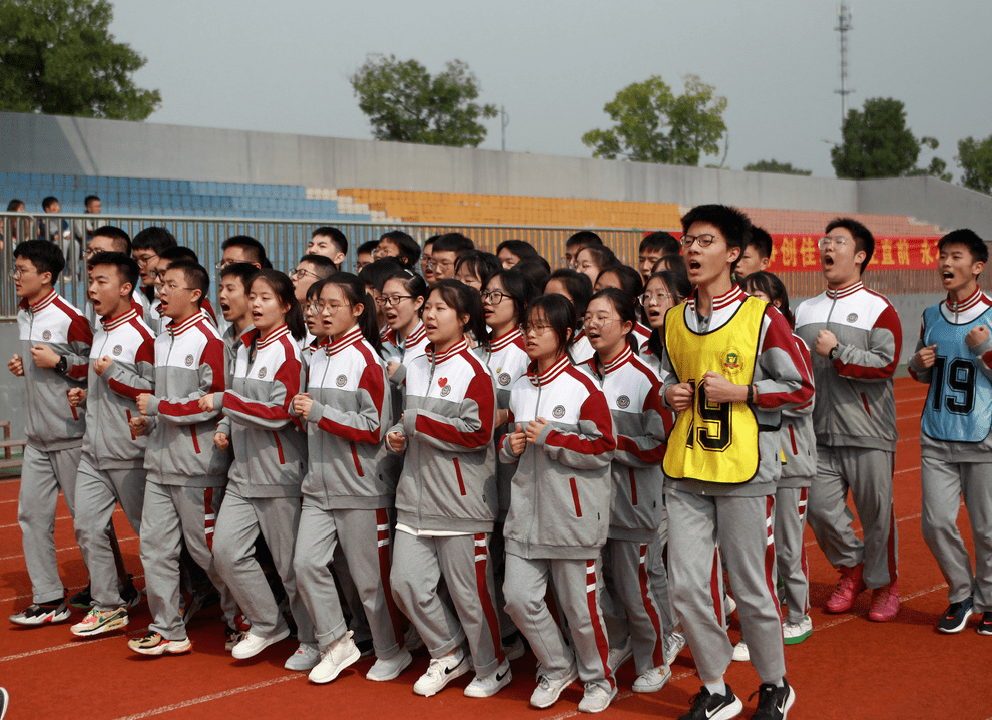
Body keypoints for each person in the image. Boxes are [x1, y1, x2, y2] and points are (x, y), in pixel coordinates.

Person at [660, 204, 812, 720]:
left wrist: (743, 391)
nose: (693, 250)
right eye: (688, 241)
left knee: (749, 584)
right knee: (684, 583)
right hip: (686, 468)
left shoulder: (761, 317)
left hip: (745, 468)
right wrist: (670, 394)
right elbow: (667, 377)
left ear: (733, 253)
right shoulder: (675, 318)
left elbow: (802, 389)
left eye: (705, 241)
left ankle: (775, 684)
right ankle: (715, 686)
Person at [386, 280, 507, 699]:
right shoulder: (416, 364)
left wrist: (418, 423)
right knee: (404, 584)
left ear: (465, 318)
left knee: (472, 597)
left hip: (461, 504)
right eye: (429, 308)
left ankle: (493, 665)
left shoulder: (475, 371)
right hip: (414, 498)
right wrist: (396, 435)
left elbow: (478, 433)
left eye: (442, 308)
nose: (431, 315)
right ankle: (449, 650)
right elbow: (407, 422)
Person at [501, 294, 617, 713]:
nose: (530, 334)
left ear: (565, 335)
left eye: (540, 327)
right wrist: (509, 446)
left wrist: (552, 438)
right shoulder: (518, 388)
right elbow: (510, 446)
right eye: (527, 326)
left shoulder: (585, 387)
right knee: (517, 598)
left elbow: (604, 448)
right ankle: (556, 665)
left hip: (572, 517)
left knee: (579, 609)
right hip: (525, 516)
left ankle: (599, 679)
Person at [292, 273, 410, 683]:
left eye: (332, 305)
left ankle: (391, 651)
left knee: (370, 581)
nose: (321, 312)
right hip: (319, 486)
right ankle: (335, 642)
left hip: (361, 487)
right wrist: (305, 413)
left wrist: (319, 414)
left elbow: (374, 427)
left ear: (358, 310)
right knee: (305, 563)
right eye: (317, 304)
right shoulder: (317, 355)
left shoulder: (366, 360)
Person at [794, 218, 902, 622]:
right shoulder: (806, 309)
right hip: (816, 432)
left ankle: (885, 586)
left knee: (877, 515)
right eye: (825, 240)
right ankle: (852, 568)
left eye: (839, 241)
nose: (828, 247)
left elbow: (887, 364)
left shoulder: (879, 308)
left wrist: (839, 351)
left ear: (859, 256)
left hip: (868, 431)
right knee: (819, 511)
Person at [127, 259, 237, 656]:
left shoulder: (210, 339)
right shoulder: (160, 337)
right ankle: (167, 628)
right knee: (154, 548)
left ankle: (238, 616)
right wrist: (149, 423)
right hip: (159, 463)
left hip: (197, 466)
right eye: (158, 282)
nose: (160, 289)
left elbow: (214, 403)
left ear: (195, 294)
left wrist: (159, 408)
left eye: (170, 284)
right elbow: (164, 400)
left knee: (206, 551)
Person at [206, 270, 315, 670]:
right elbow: (239, 401)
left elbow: (278, 413)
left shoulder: (289, 350)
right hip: (243, 472)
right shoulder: (243, 345)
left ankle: (313, 638)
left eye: (266, 298)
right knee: (226, 551)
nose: (255, 304)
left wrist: (226, 403)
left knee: (290, 568)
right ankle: (268, 624)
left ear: (287, 306)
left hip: (279, 475)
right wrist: (223, 425)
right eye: (253, 296)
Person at [585, 288, 672, 695]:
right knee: (597, 588)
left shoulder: (644, 379)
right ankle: (619, 642)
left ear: (625, 325)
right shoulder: (578, 374)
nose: (593, 324)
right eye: (588, 316)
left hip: (632, 502)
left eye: (603, 317)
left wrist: (608, 442)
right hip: (586, 505)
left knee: (637, 589)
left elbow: (658, 445)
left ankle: (654, 658)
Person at [908, 229, 992, 635]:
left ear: (977, 267)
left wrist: (984, 351)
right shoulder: (931, 315)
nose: (944, 263)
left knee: (987, 527)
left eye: (955, 256)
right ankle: (961, 594)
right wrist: (919, 365)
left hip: (984, 437)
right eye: (942, 256)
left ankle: (990, 600)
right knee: (936, 523)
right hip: (937, 435)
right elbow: (923, 374)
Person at [7, 240, 93, 626]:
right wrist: (24, 363)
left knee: (86, 521)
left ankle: (113, 590)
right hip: (37, 438)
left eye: (21, 269)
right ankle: (48, 598)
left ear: (46, 275)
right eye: (15, 268)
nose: (14, 276)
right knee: (31, 517)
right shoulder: (25, 314)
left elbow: (95, 369)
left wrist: (58, 362)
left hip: (72, 434)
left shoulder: (69, 317)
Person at [67, 252, 152, 636]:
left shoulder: (142, 335)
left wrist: (113, 376)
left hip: (131, 453)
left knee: (150, 534)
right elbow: (108, 384)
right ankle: (108, 604)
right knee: (86, 526)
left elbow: (154, 392)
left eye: (102, 281)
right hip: (93, 451)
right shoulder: (100, 328)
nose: (93, 288)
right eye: (91, 280)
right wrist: (88, 397)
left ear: (125, 287)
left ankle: (192, 593)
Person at [738, 271, 816, 655]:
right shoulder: (740, 343)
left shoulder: (794, 343)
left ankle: (799, 614)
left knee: (787, 545)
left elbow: (804, 398)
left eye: (758, 297)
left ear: (777, 306)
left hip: (792, 462)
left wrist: (751, 393)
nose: (748, 302)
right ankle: (765, 615)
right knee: (757, 545)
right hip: (754, 460)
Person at [380, 270, 429, 387]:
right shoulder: (381, 343)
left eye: (396, 298)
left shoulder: (431, 345)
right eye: (384, 298)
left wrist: (404, 376)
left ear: (418, 302)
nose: (387, 305)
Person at [544, 270, 593, 363]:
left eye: (557, 299)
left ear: (580, 303)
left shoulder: (590, 343)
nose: (548, 305)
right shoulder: (536, 336)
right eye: (546, 298)